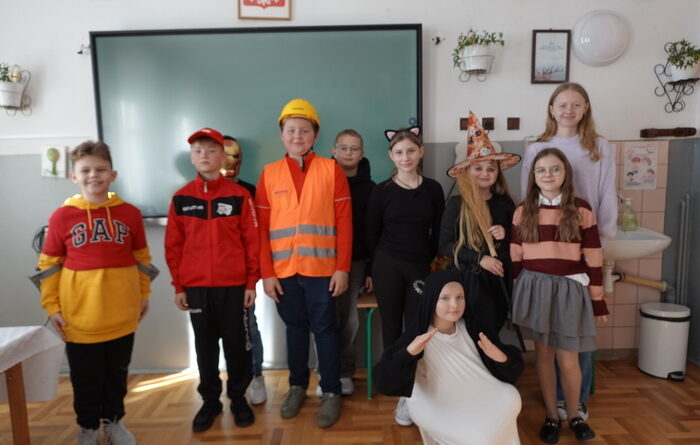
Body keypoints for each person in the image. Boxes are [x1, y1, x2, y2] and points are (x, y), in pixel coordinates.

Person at [37, 140, 156, 445]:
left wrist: (144, 295)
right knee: (85, 380)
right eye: (85, 170)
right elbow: (48, 266)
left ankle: (113, 422)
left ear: (113, 174)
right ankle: (88, 427)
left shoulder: (130, 213)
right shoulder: (61, 217)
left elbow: (143, 259)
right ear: (73, 176)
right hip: (80, 319)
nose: (93, 175)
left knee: (117, 376)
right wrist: (52, 307)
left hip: (122, 315)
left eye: (101, 169)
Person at [521, 82, 617, 423]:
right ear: (551, 109)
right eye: (562, 104)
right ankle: (555, 400)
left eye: (576, 104)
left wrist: (600, 238)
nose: (568, 110)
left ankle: (575, 400)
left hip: (584, 241)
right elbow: (528, 197)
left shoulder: (599, 146)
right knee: (548, 337)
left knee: (578, 327)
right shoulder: (538, 148)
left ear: (586, 108)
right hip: (548, 247)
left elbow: (607, 192)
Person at [255, 98, 352, 428]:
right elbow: (261, 229)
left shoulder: (331, 170)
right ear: (282, 134)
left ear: (315, 135)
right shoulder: (269, 174)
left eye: (305, 130)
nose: (298, 136)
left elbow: (344, 222)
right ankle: (297, 387)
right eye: (291, 130)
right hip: (283, 272)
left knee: (325, 329)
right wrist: (267, 274)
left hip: (322, 271)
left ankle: (331, 391)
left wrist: (342, 268)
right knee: (294, 330)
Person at [165, 127, 259, 432]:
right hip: (196, 288)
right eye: (198, 151)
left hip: (234, 288)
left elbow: (252, 242)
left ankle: (238, 398)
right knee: (205, 347)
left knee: (237, 346)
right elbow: (173, 246)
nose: (204, 155)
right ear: (192, 158)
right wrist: (179, 286)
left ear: (222, 156)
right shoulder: (181, 198)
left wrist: (251, 283)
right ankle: (210, 401)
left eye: (211, 150)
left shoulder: (240, 196)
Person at [511, 148, 608, 443]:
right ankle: (552, 415)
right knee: (543, 355)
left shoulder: (581, 210)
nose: (548, 175)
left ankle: (575, 414)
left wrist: (597, 299)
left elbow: (594, 256)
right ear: (533, 176)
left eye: (555, 169)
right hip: (535, 288)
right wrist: (517, 293)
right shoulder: (523, 210)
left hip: (569, 291)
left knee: (569, 359)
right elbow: (516, 257)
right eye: (541, 170)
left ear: (566, 173)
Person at [374, 270, 523, 445]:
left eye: (460, 297)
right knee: (480, 439)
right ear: (432, 300)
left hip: (478, 389)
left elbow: (514, 365)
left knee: (510, 397)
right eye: (445, 298)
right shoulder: (417, 336)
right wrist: (408, 354)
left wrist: (501, 357)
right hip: (437, 401)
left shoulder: (473, 326)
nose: (454, 304)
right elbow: (383, 381)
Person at [366, 126, 445, 426]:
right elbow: (372, 233)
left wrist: (430, 263)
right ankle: (398, 390)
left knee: (416, 329)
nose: (405, 157)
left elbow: (439, 231)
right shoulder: (382, 191)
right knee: (391, 328)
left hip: (419, 266)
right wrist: (373, 270)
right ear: (391, 156)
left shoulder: (433, 189)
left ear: (420, 151)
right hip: (387, 265)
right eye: (399, 152)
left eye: (411, 150)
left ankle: (414, 391)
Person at [440, 111, 521, 332]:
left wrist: (507, 233)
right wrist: (479, 259)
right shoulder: (457, 205)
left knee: (492, 330)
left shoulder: (505, 203)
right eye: (478, 168)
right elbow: (445, 245)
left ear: (497, 173)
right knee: (469, 331)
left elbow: (519, 242)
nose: (485, 173)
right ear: (467, 172)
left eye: (491, 169)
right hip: (467, 280)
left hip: (498, 282)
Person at [317, 128, 376, 396]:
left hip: (355, 262)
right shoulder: (321, 181)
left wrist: (371, 269)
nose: (348, 153)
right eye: (343, 148)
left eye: (354, 149)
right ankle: (325, 371)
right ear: (333, 151)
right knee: (324, 317)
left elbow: (374, 233)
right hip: (321, 260)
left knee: (349, 320)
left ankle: (344, 372)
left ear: (362, 154)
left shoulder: (372, 189)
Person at [221, 135, 267, 405]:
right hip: (210, 278)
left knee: (248, 326)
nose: (229, 161)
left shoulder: (249, 190)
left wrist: (254, 275)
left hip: (241, 275)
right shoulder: (195, 193)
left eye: (234, 155)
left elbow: (256, 235)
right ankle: (232, 380)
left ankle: (255, 375)